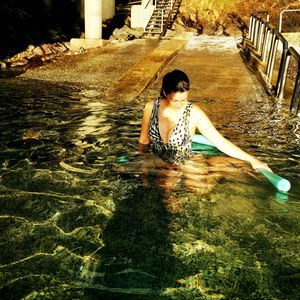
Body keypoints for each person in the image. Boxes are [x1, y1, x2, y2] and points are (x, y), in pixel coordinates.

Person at [138, 69, 271, 172]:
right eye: (175, 100)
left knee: (199, 190)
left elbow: (220, 141)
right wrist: (143, 164)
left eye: (184, 100)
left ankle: (216, 168)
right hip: (158, 160)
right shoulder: (151, 107)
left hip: (184, 161)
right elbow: (144, 140)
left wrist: (253, 160)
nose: (180, 105)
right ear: (165, 92)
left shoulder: (193, 112)